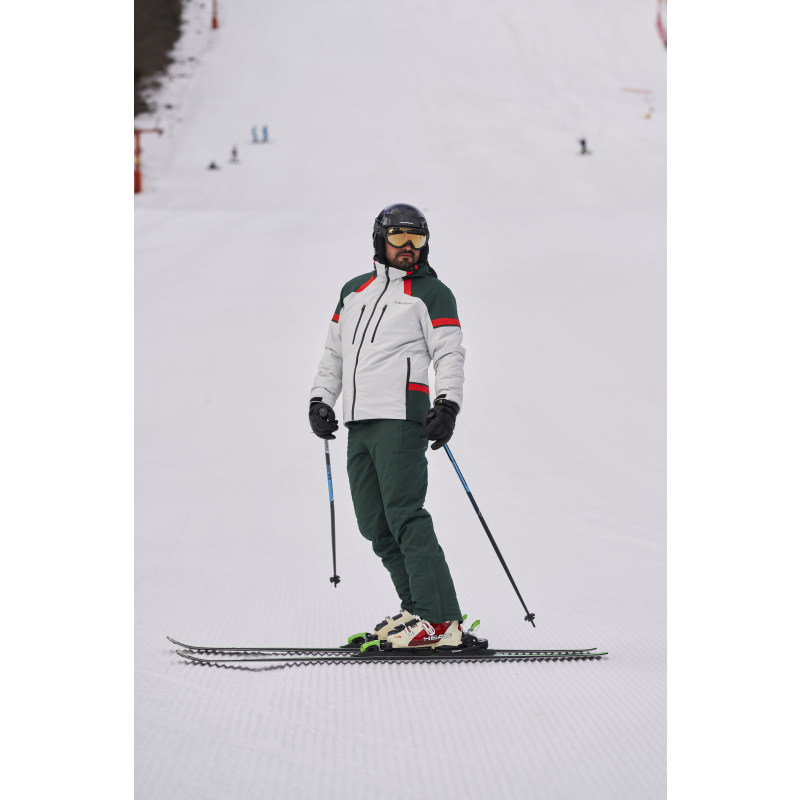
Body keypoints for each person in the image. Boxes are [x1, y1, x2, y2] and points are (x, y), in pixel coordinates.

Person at [309, 203, 465, 649]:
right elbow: (334, 353)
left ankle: (440, 621)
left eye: (417, 239)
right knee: (375, 524)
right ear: (380, 240)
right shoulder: (353, 291)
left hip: (401, 418)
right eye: (399, 237)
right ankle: (416, 610)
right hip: (359, 421)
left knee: (405, 516)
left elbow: (449, 352)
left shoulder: (432, 293)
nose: (408, 247)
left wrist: (447, 404)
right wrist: (321, 399)